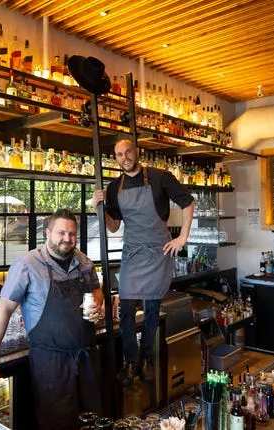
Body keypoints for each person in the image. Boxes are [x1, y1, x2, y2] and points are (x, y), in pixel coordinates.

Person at [0, 209, 104, 430]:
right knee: (58, 423)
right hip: (50, 362)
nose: (67, 239)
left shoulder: (84, 262)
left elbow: (96, 290)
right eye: (61, 233)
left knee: (93, 421)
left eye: (72, 234)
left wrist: (98, 305)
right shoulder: (27, 265)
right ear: (48, 233)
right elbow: (4, 310)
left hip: (86, 358)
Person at [92, 139, 195, 386]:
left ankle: (147, 358)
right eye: (119, 154)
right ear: (116, 158)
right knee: (125, 308)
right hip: (132, 253)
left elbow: (188, 202)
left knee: (150, 309)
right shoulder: (115, 186)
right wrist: (101, 207)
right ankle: (131, 361)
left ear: (135, 152)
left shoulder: (160, 177)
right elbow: (115, 226)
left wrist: (183, 237)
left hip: (158, 252)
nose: (125, 157)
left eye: (128, 152)